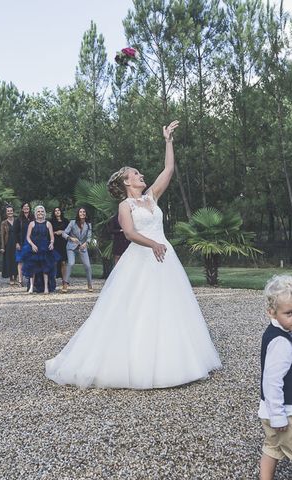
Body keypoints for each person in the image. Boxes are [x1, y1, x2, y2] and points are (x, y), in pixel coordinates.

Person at [46, 121, 221, 389]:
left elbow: (169, 169)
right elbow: (128, 233)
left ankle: (177, 362)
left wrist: (168, 141)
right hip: (143, 258)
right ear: (127, 181)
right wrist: (152, 244)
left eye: (139, 173)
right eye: (136, 173)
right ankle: (137, 364)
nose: (141, 175)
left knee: (170, 306)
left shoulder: (152, 197)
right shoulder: (124, 205)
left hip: (164, 259)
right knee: (138, 309)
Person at [258, 274, 292, 480]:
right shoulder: (282, 343)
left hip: (270, 411)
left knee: (272, 447)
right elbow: (271, 381)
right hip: (289, 415)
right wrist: (279, 415)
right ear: (271, 312)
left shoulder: (277, 332)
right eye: (289, 313)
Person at [23, 205, 59, 294]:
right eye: (38, 211)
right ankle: (31, 287)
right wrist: (32, 245)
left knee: (45, 268)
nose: (40, 213)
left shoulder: (48, 223)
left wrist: (51, 243)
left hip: (45, 247)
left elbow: (52, 237)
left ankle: (46, 287)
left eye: (42, 211)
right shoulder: (32, 223)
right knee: (32, 267)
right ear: (35, 213)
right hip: (34, 247)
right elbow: (28, 237)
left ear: (44, 213)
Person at [61, 207, 93, 293]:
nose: (82, 213)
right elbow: (64, 233)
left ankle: (89, 284)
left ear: (86, 214)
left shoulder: (88, 224)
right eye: (80, 212)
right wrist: (71, 238)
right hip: (71, 247)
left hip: (82, 246)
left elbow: (89, 237)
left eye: (84, 212)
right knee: (71, 263)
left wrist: (86, 243)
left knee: (88, 265)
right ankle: (65, 283)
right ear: (78, 214)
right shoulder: (72, 223)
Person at [14, 202, 34, 287]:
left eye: (27, 206)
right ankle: (20, 280)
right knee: (20, 261)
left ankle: (31, 279)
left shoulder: (33, 219)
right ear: (22, 209)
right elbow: (14, 233)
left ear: (30, 208)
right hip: (21, 243)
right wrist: (16, 243)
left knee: (31, 261)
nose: (26, 208)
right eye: (24, 206)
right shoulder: (18, 220)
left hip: (31, 243)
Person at [0, 205, 18, 285]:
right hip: (8, 244)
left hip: (16, 243)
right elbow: (2, 236)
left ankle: (17, 278)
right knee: (9, 260)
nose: (10, 212)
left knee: (16, 260)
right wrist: (3, 247)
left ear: (13, 211)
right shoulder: (4, 223)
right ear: (6, 213)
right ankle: (11, 278)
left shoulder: (17, 221)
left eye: (11, 210)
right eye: (8, 211)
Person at [50, 206, 68, 287]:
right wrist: (56, 232)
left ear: (61, 211)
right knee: (54, 262)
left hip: (64, 243)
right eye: (55, 210)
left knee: (63, 262)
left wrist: (62, 232)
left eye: (58, 210)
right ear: (54, 213)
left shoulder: (66, 221)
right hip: (55, 243)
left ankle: (64, 280)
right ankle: (52, 280)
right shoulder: (51, 222)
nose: (57, 212)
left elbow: (69, 231)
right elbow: (49, 232)